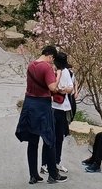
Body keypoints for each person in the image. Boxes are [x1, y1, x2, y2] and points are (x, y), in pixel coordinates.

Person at [15, 45, 68, 185]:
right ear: (50, 56)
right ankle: (52, 175)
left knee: (33, 142)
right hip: (43, 105)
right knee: (49, 140)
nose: (52, 62)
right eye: (52, 59)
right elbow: (52, 88)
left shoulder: (31, 65)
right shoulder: (46, 67)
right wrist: (58, 76)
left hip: (30, 104)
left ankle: (33, 175)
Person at [40, 51, 74, 175]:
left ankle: (49, 163)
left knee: (54, 137)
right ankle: (50, 163)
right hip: (56, 107)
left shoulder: (58, 71)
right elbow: (67, 88)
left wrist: (62, 90)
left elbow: (70, 88)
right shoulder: (58, 71)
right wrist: (59, 90)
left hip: (55, 107)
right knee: (54, 137)